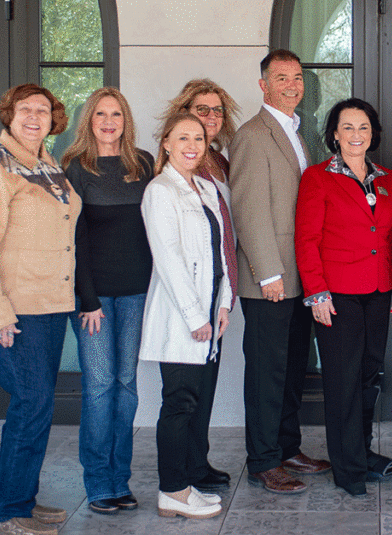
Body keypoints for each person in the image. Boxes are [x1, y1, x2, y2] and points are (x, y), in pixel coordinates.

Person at [0, 83, 76, 535]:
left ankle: (22, 499)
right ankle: (6, 511)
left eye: (43, 110)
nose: (34, 117)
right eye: (25, 109)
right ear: (9, 115)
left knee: (38, 406)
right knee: (31, 405)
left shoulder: (48, 164)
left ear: (54, 119)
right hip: (14, 308)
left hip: (49, 305)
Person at [294, 98, 392, 496]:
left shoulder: (387, 178)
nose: (356, 135)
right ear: (335, 134)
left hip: (379, 291)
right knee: (343, 382)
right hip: (337, 294)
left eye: (363, 127)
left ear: (372, 133)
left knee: (367, 377)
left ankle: (359, 454)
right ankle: (348, 470)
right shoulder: (317, 177)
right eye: (348, 127)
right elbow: (306, 240)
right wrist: (316, 293)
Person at [229, 49, 330, 495]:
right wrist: (269, 273)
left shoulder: (295, 132)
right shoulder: (253, 135)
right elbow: (248, 209)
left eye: (297, 77)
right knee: (267, 374)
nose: (292, 85)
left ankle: (288, 448)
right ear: (263, 85)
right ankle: (263, 461)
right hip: (270, 280)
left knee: (291, 370)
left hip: (298, 278)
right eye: (281, 78)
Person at [61, 87, 154, 515]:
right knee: (99, 388)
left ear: (125, 119)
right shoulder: (74, 168)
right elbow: (72, 240)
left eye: (116, 113)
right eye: (101, 113)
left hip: (137, 292)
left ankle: (120, 480)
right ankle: (98, 483)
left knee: (126, 387)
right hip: (93, 300)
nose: (109, 121)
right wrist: (88, 299)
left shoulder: (144, 164)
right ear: (89, 120)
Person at [139, 112, 231, 519]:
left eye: (198, 138)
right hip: (182, 319)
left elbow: (222, 252)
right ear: (166, 144)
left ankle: (183, 484)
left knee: (192, 402)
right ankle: (172, 490)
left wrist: (224, 302)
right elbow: (170, 261)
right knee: (179, 403)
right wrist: (197, 318)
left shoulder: (204, 189)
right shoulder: (161, 191)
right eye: (183, 139)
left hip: (211, 313)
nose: (192, 145)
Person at [160, 78, 241, 494]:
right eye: (201, 110)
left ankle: (197, 462)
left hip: (217, 292)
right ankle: (179, 480)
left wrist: (224, 298)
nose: (210, 118)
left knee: (204, 386)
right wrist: (197, 310)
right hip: (188, 299)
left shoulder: (219, 165)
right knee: (183, 394)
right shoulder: (169, 178)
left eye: (216, 112)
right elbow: (170, 252)